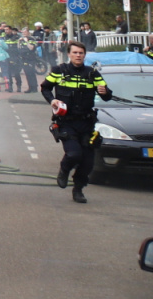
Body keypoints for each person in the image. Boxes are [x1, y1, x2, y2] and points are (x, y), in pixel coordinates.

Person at [42, 41, 116, 202]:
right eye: (75, 53)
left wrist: (105, 92)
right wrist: (52, 100)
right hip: (66, 122)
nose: (78, 55)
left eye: (81, 53)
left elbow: (107, 95)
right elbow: (45, 88)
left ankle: (78, 189)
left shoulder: (92, 73)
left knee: (88, 161)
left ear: (84, 55)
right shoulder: (59, 71)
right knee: (74, 153)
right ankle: (64, 170)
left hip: (86, 123)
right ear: (69, 54)